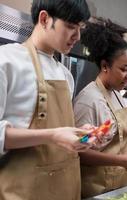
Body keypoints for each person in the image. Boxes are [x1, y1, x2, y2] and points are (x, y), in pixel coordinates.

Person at [0, 0, 96, 199]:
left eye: (80, 28)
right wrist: (53, 135)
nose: (77, 36)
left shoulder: (65, 75)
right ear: (44, 19)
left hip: (66, 189)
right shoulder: (7, 61)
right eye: (71, 26)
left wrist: (82, 134)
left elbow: (62, 131)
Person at [73, 18, 127, 198]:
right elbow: (80, 151)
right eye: (124, 69)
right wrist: (121, 161)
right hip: (95, 190)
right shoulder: (89, 100)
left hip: (117, 188)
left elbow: (117, 140)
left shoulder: (117, 96)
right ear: (105, 66)